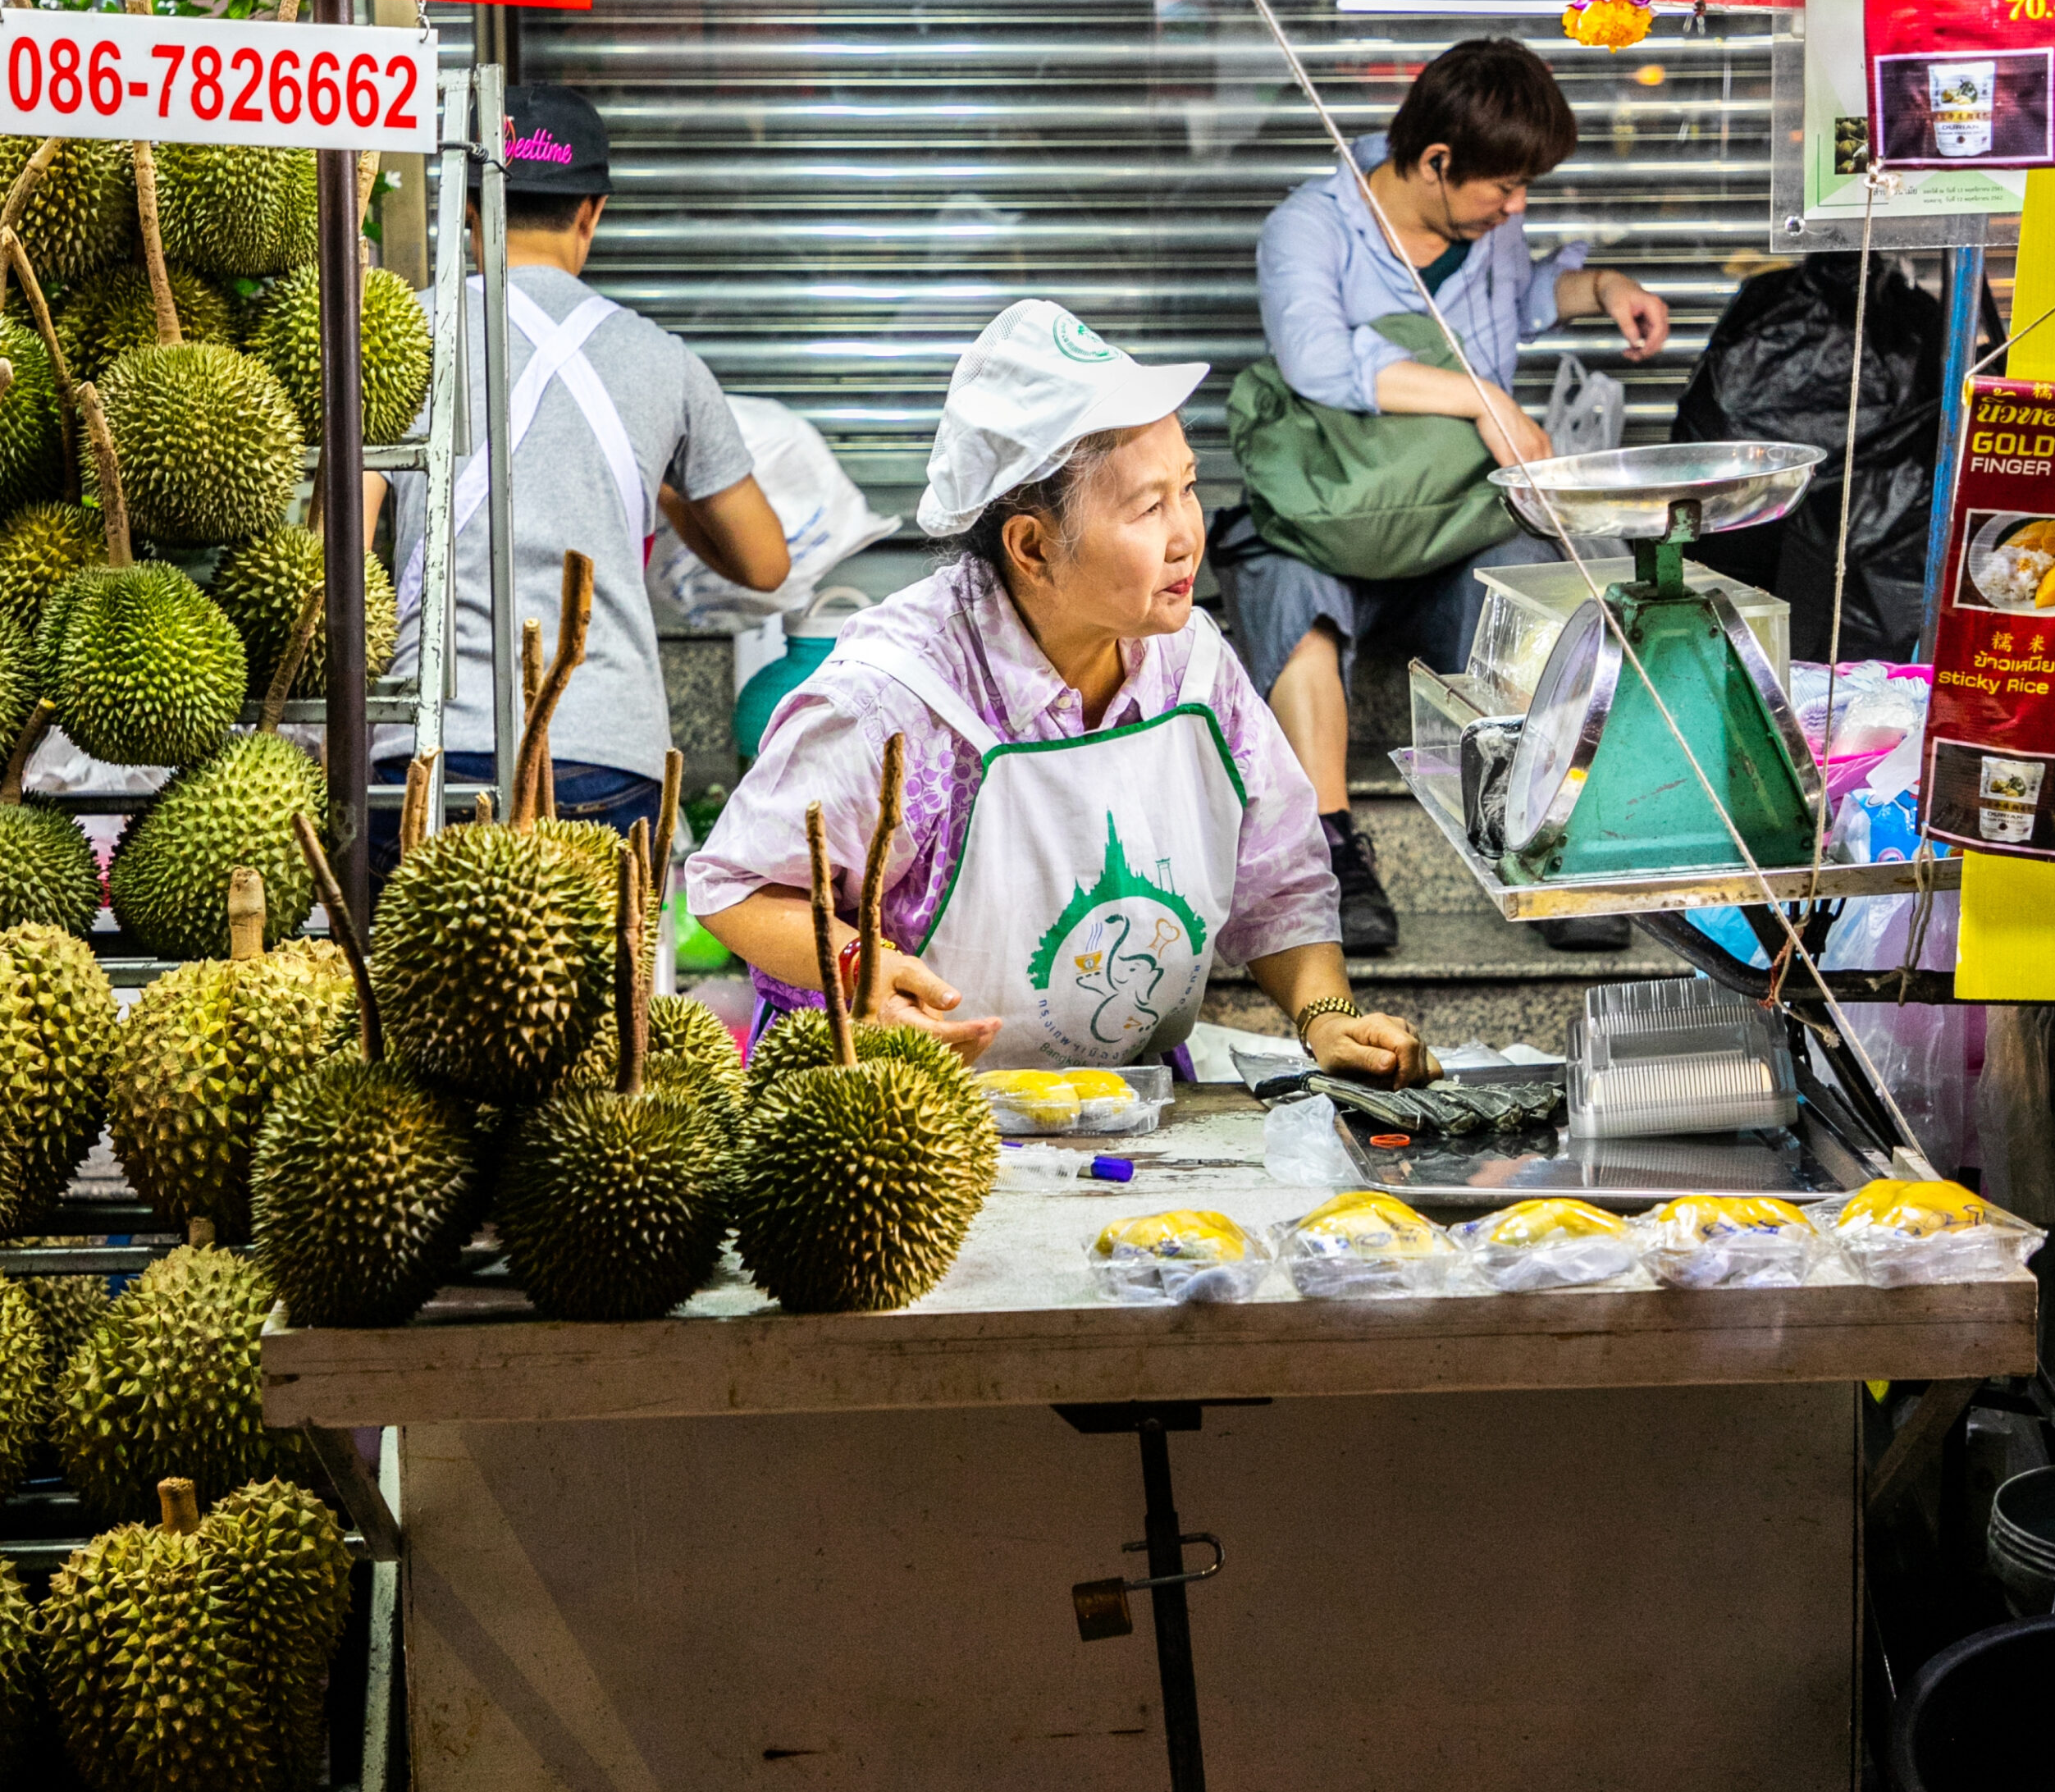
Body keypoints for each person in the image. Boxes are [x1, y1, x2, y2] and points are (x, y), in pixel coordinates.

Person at [688, 299, 1438, 1087]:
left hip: (1117, 1103)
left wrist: (1327, 1019)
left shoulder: (1193, 668)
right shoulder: (896, 698)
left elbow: (1278, 877)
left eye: (1187, 488)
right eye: (1149, 507)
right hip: (895, 1112)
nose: (1188, 534)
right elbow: (735, 885)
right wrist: (857, 966)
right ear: (1033, 546)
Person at [1212, 38, 1672, 952]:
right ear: (1434, 162)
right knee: (1289, 599)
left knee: (1538, 583)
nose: (1517, 206)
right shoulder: (1310, 228)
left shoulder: (1489, 235)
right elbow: (1319, 361)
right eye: (1502, 187)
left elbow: (1528, 298)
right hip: (1327, 514)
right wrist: (1479, 397)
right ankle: (1332, 855)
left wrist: (1605, 287)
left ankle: (1537, 832)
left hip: (1449, 526)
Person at [369, 84, 790, 862]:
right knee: (598, 990)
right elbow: (764, 562)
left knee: (425, 987)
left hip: (432, 751)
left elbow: (344, 547)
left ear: (467, 207)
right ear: (591, 212)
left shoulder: (401, 333)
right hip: (608, 758)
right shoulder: (665, 363)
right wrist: (651, 478)